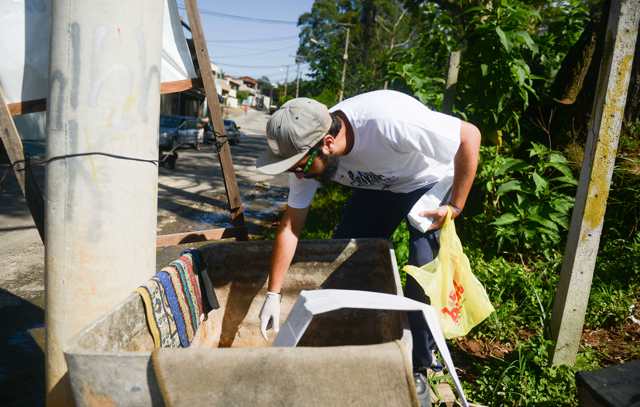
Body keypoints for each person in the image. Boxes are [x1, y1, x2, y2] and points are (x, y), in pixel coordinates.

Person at [255, 90, 481, 394]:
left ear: (327, 143)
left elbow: (470, 136)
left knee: (422, 265)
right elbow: (290, 226)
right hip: (380, 184)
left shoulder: (389, 121)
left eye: (299, 166)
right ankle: (350, 339)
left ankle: (419, 364)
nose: (297, 174)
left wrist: (455, 206)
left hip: (427, 177)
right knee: (344, 257)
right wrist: (273, 293)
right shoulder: (305, 148)